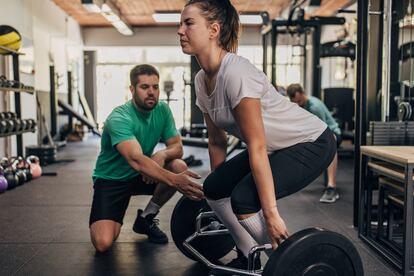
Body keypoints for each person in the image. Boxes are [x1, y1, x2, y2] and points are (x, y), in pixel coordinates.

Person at [178, 0, 337, 270]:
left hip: (311, 142)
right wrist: (220, 188)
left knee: (245, 199)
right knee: (214, 189)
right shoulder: (201, 81)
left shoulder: (236, 73)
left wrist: (271, 213)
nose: (180, 31)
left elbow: (256, 144)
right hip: (278, 146)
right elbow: (217, 141)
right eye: (181, 24)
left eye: (188, 23)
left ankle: (291, 264)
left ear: (214, 30)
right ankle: (247, 254)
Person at [89, 64, 204, 253]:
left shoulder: (162, 110)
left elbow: (177, 148)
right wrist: (175, 181)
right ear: (132, 89)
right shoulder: (119, 118)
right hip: (112, 179)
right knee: (103, 243)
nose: (151, 92)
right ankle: (116, 212)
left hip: (141, 175)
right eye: (144, 87)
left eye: (155, 87)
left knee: (178, 165)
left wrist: (161, 154)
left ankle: (146, 218)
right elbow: (135, 159)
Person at [287, 83, 341, 203]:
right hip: (315, 133)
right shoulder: (299, 105)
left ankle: (331, 187)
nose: (298, 104)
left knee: (330, 140)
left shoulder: (315, 107)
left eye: (299, 101)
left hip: (332, 132)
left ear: (303, 94)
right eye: (295, 102)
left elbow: (324, 130)